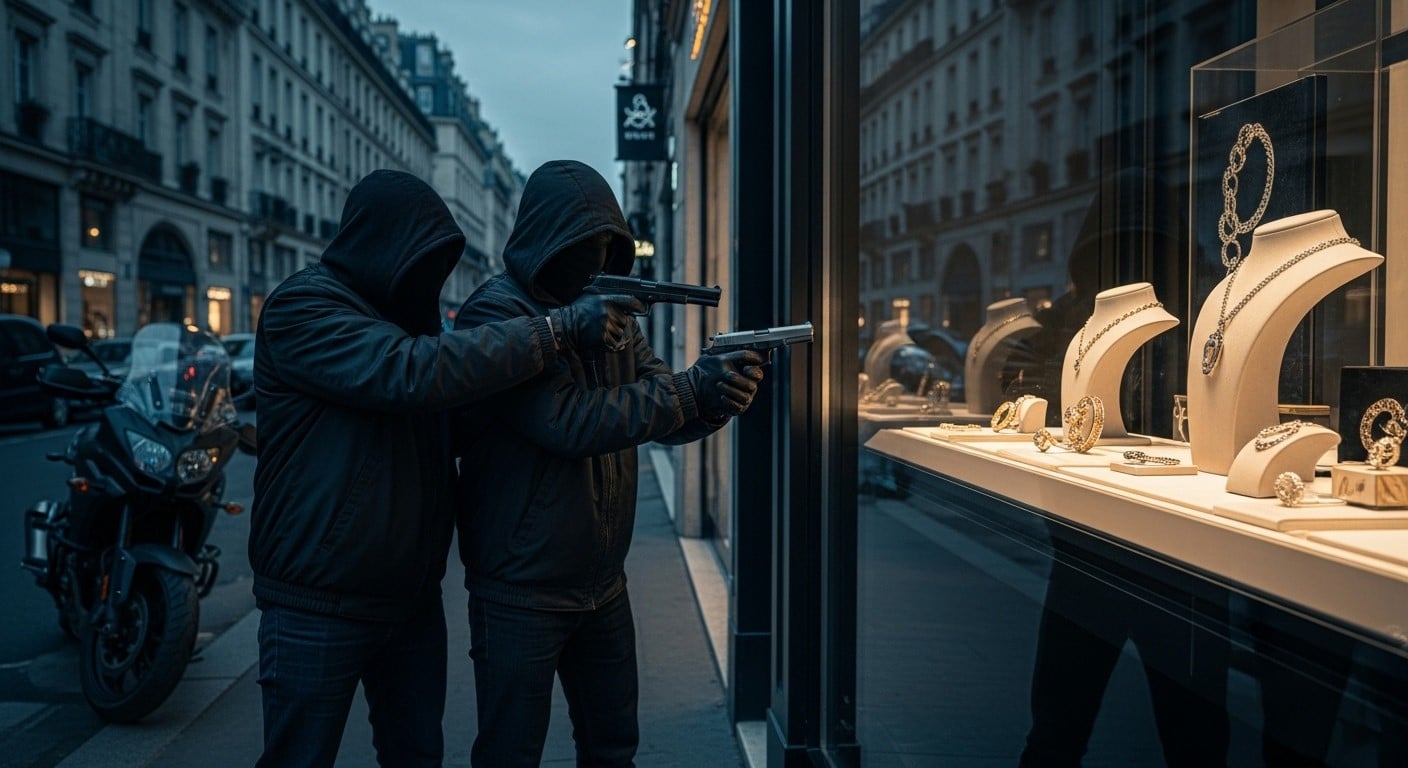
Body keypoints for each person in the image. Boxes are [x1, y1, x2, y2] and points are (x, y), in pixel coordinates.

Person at [248, 169, 640, 768]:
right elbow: (406, 373)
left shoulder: (410, 321)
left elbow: (452, 420)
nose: (429, 278)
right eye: (422, 259)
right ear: (381, 245)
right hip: (317, 601)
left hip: (410, 600)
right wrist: (556, 330)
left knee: (417, 757)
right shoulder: (302, 307)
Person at [453, 159, 765, 767]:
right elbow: (566, 421)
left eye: (606, 245)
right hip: (520, 587)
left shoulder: (608, 310)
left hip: (603, 582)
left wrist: (716, 399)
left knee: (614, 746)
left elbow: (663, 404)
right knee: (510, 752)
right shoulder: (497, 314)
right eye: (584, 244)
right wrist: (689, 392)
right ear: (548, 240)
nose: (595, 259)